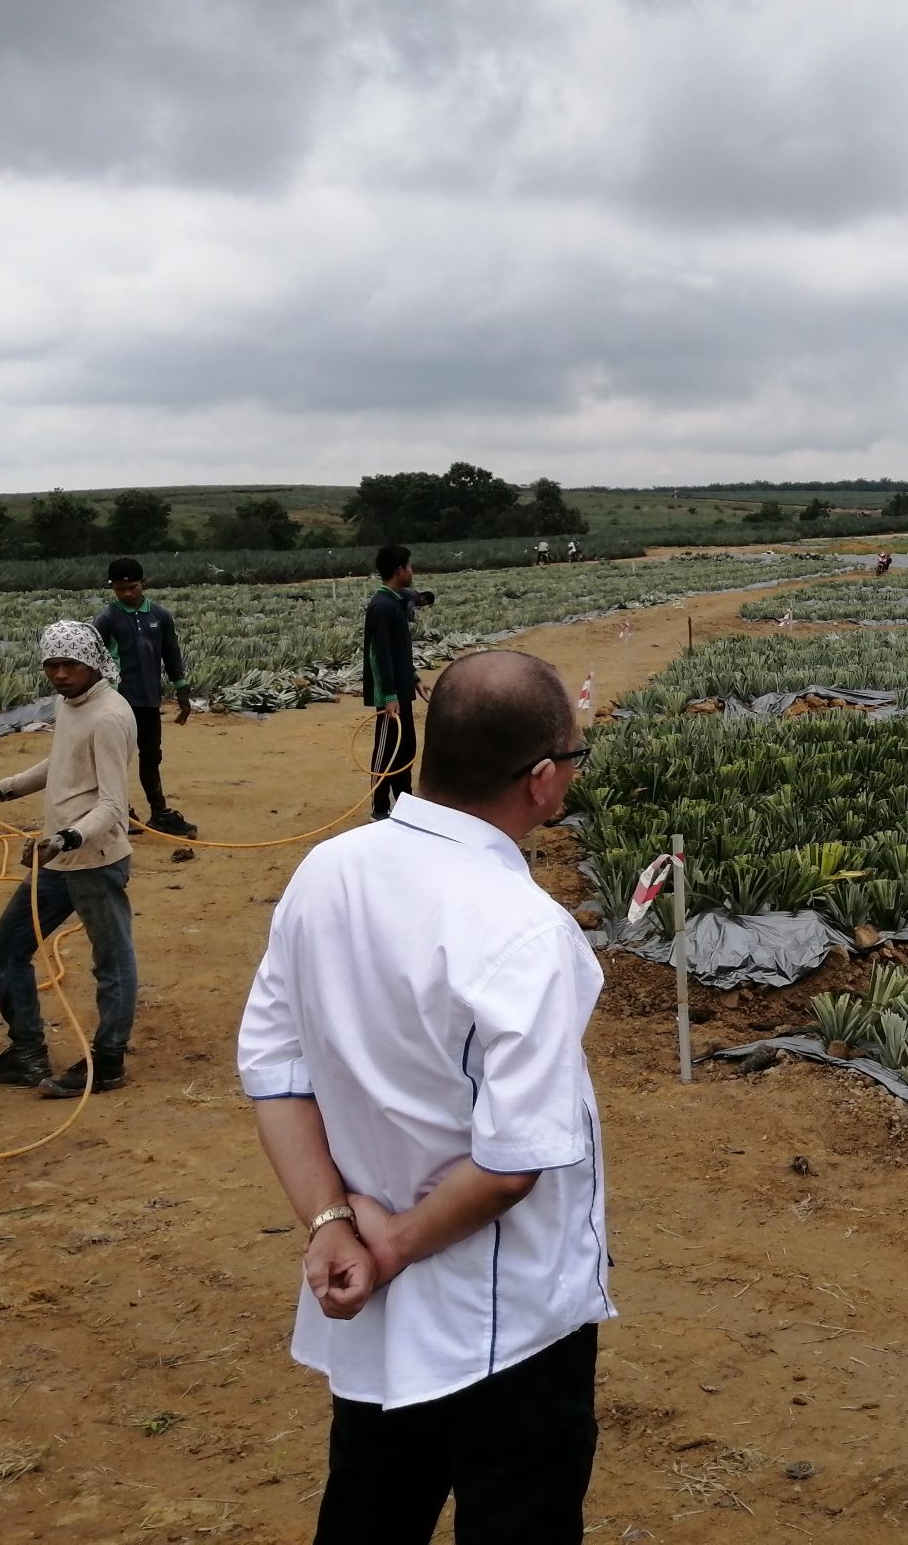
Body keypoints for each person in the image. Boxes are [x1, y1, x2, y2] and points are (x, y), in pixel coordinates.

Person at [237, 651, 612, 1543]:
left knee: (370, 1507)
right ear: (545, 780)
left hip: (367, 1302)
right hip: (508, 1321)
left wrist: (332, 1223)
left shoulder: (329, 872)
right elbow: (514, 1161)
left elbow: (274, 1065)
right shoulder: (525, 931)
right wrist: (397, 1245)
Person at [0, 621, 142, 1097]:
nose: (60, 675)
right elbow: (60, 762)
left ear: (92, 663)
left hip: (93, 858)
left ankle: (108, 1061)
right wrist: (0, 790)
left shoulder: (108, 716)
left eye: (69, 665)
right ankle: (26, 1054)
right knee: (6, 947)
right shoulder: (71, 706)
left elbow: (113, 805)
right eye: (52, 666)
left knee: (111, 962)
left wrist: (67, 837)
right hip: (58, 858)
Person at [92, 557, 200, 839]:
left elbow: (171, 653)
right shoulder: (107, 619)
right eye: (120, 589)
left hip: (149, 700)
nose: (127, 593)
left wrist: (182, 689)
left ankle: (160, 813)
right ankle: (120, 812)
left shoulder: (160, 616)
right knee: (116, 759)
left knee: (151, 756)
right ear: (113, 588)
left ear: (144, 584)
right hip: (118, 702)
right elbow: (94, 661)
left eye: (132, 587)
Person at [365, 545, 425, 821]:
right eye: (410, 566)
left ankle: (404, 805)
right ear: (400, 570)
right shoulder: (381, 606)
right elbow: (380, 654)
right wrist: (388, 695)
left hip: (402, 690)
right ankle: (379, 808)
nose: (412, 571)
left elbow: (399, 652)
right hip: (391, 694)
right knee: (387, 748)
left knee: (406, 748)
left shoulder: (395, 603)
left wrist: (414, 679)